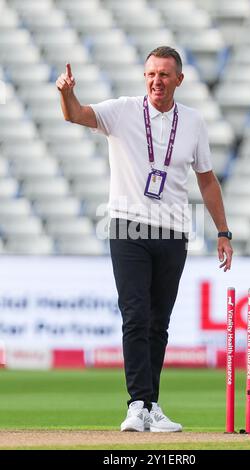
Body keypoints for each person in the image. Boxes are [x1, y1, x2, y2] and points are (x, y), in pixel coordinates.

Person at [56, 46, 233, 433]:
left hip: (173, 232)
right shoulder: (122, 110)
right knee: (135, 315)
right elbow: (76, 115)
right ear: (144, 77)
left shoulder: (193, 122)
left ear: (179, 80)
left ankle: (151, 405)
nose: (157, 80)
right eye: (151, 73)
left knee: (159, 323)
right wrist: (66, 93)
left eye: (165, 74)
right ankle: (137, 404)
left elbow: (207, 179)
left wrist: (222, 231)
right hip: (127, 227)